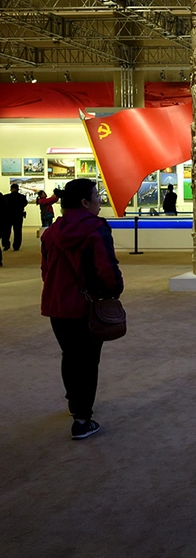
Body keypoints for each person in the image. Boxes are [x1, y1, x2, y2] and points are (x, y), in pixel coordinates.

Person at [40, 179, 124, 440]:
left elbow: (46, 270)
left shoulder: (51, 232)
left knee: (70, 354)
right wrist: (114, 291)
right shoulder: (96, 229)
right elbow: (106, 268)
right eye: (96, 196)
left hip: (56, 303)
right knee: (88, 360)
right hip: (85, 305)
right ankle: (82, 419)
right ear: (85, 202)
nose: (99, 201)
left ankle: (73, 403)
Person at [3, 183, 29, 251]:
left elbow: (2, 206)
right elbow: (25, 204)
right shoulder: (22, 197)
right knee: (17, 232)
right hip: (18, 216)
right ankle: (16, 246)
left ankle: (6, 244)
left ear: (11, 189)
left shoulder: (6, 196)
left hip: (7, 216)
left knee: (6, 231)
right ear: (18, 189)